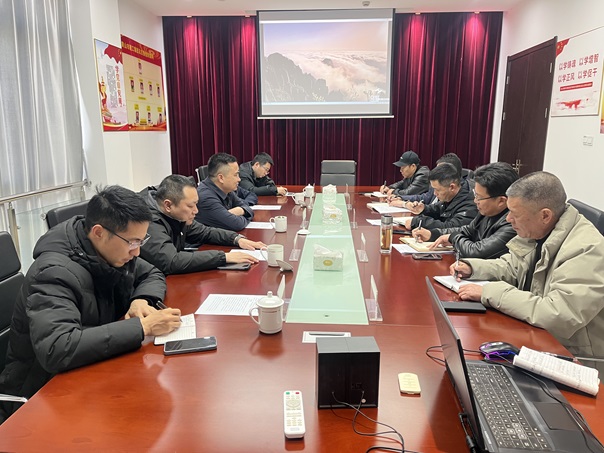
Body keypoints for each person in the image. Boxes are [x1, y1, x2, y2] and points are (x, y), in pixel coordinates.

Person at [0, 186, 182, 422]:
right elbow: (57, 348)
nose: (137, 252)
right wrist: (143, 327)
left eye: (141, 241)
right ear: (98, 232)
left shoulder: (112, 251)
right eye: (132, 242)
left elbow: (152, 273)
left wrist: (141, 299)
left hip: (89, 371)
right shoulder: (53, 273)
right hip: (41, 396)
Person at [452, 172, 604, 370]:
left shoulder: (586, 249)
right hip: (538, 339)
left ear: (545, 215)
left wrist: (490, 292)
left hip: (574, 360)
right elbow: (512, 266)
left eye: (515, 214)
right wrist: (473, 267)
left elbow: (558, 315)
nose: (508, 219)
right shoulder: (540, 230)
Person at [139, 175, 265, 275]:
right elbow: (171, 261)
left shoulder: (176, 215)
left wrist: (236, 239)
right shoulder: (147, 221)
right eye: (190, 206)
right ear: (168, 205)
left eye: (196, 204)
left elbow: (204, 232)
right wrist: (223, 257)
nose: (196, 211)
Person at [413, 162, 518, 258]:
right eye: (475, 195)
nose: (475, 200)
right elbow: (467, 230)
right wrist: (433, 234)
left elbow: (476, 251)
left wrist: (453, 238)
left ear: (501, 201)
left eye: (479, 197)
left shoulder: (513, 223)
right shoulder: (487, 211)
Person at [401, 162, 477, 230]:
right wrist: (424, 208)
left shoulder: (471, 202)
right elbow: (439, 208)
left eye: (437, 190)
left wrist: (419, 222)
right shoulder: (453, 194)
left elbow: (450, 228)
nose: (434, 193)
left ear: (452, 187)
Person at [195, 153, 254, 231]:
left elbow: (248, 209)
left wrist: (241, 210)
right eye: (235, 175)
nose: (239, 179)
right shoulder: (206, 198)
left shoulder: (226, 189)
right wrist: (244, 214)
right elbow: (237, 224)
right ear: (221, 178)